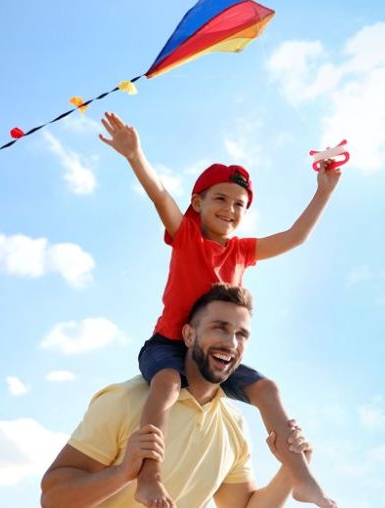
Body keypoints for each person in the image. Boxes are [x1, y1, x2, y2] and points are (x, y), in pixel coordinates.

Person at [98, 112, 339, 508]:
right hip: (168, 347)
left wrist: (324, 190)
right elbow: (160, 194)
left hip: (214, 357)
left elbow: (295, 237)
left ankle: (303, 478)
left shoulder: (243, 251)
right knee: (168, 385)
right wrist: (134, 154)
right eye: (220, 199)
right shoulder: (186, 235)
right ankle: (149, 476)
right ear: (198, 202)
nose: (230, 209)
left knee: (268, 389)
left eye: (239, 204)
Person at [41, 283, 314, 508]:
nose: (231, 343)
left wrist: (291, 469)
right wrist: (122, 473)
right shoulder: (127, 400)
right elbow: (53, 498)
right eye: (219, 327)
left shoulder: (235, 425)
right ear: (188, 335)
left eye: (241, 334)